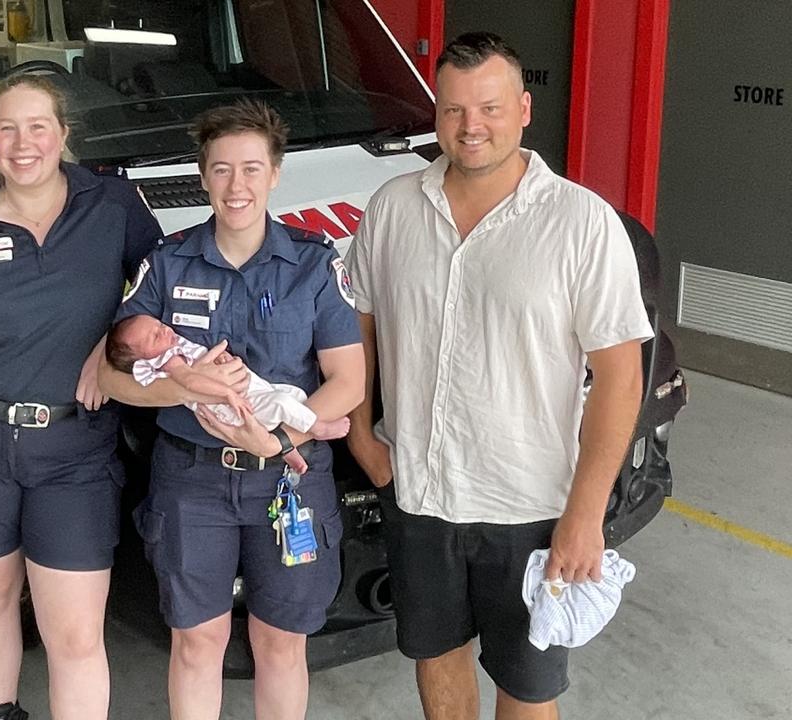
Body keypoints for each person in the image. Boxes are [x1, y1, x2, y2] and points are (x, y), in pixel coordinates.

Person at [342, 32, 653, 720]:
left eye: (487, 107)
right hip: (420, 490)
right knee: (437, 656)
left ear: (523, 109)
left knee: (528, 684)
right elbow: (357, 323)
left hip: (531, 504)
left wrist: (585, 515)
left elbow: (621, 378)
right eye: (452, 110)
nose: (469, 126)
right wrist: (363, 434)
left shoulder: (581, 223)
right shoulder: (393, 208)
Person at [0, 74, 163, 720]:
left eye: (37, 127)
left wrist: (111, 341)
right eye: (7, 129)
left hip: (76, 450)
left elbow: (160, 289)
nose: (23, 144)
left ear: (63, 134)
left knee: (74, 633)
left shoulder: (112, 205)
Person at [99, 99, 365, 720]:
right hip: (191, 481)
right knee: (198, 642)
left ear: (274, 174)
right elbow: (115, 379)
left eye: (250, 168)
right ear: (202, 175)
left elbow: (347, 381)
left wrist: (271, 434)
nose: (236, 185)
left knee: (281, 642)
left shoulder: (314, 264)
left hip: (288, 476)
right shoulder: (167, 262)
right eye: (221, 169)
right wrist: (186, 388)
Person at [105, 313, 351, 473]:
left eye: (158, 325)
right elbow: (191, 382)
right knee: (282, 403)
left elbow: (201, 360)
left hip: (241, 387)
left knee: (292, 395)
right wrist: (228, 395)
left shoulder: (174, 344)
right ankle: (318, 428)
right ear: (143, 359)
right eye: (153, 337)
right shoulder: (168, 360)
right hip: (227, 404)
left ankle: (287, 449)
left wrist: (221, 357)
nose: (163, 331)